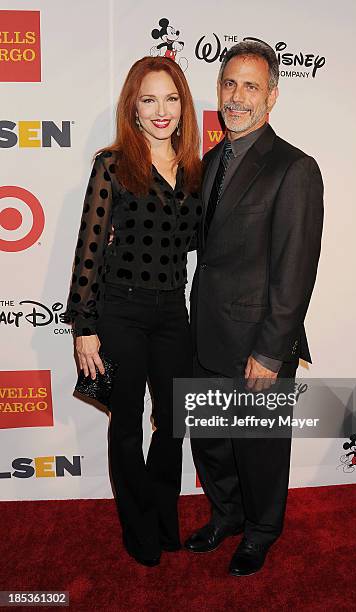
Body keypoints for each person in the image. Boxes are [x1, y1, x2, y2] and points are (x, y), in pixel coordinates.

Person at [185, 40, 324, 576]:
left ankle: (262, 531)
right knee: (212, 441)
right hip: (206, 335)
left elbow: (295, 272)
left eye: (250, 86)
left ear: (272, 96)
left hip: (258, 344)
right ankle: (227, 515)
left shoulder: (294, 169)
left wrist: (271, 351)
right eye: (229, 83)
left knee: (258, 449)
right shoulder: (210, 161)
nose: (237, 97)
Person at [65, 57, 202, 567]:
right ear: (134, 107)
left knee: (171, 424)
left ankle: (166, 517)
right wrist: (85, 325)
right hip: (120, 311)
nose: (161, 110)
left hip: (173, 314)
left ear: (183, 106)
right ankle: (139, 525)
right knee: (125, 426)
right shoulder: (113, 164)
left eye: (171, 98)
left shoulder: (196, 170)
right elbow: (90, 247)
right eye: (149, 99)